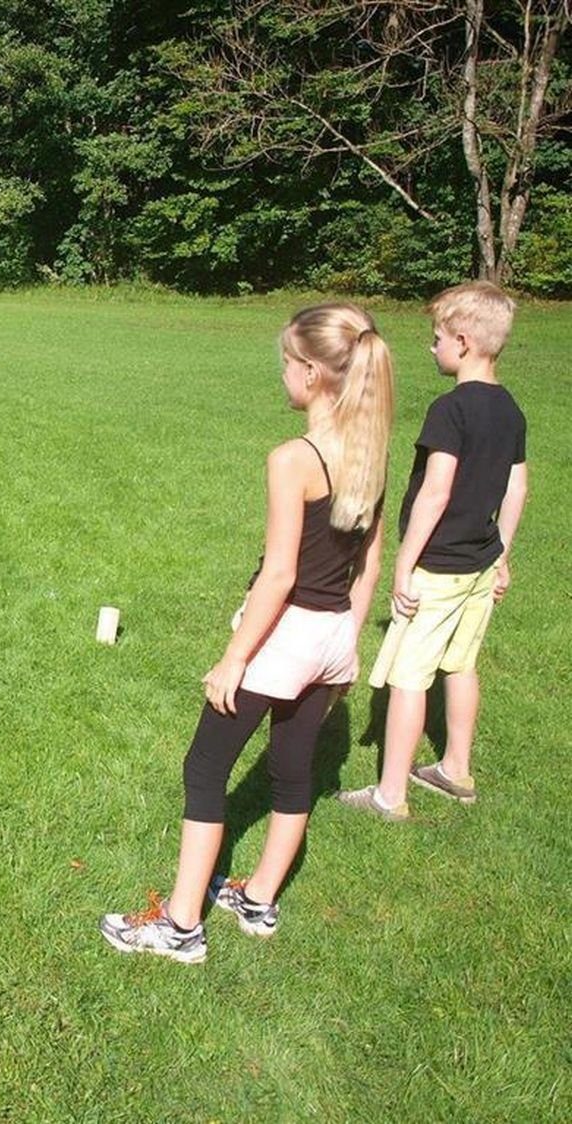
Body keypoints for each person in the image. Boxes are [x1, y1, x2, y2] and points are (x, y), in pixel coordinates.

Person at [100, 304, 394, 963]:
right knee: (293, 767)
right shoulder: (372, 452)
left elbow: (281, 573)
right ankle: (259, 898)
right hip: (332, 636)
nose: (283, 375)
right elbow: (369, 567)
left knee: (204, 767)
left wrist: (235, 658)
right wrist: (344, 646)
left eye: (287, 364)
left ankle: (180, 927)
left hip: (283, 637)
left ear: (313, 374)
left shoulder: (294, 458)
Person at [339, 282, 528, 820]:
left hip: (439, 566)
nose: (432, 346)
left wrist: (404, 562)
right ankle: (455, 769)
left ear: (464, 343)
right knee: (461, 665)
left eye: (437, 337)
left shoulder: (450, 410)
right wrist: (503, 556)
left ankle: (390, 795)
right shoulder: (510, 408)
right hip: (480, 563)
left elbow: (436, 489)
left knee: (409, 676)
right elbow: (517, 489)